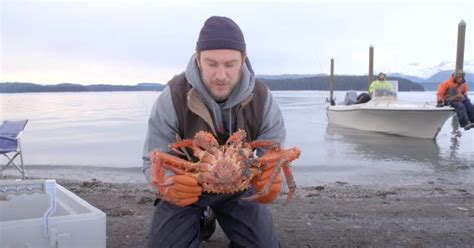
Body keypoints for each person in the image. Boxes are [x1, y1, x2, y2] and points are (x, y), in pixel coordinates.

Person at [142, 16, 285, 247]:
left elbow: (276, 154)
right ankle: (202, 218)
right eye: (212, 63)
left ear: (243, 60)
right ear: (198, 59)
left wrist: (273, 181)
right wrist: (168, 186)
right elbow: (152, 159)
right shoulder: (171, 97)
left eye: (230, 64)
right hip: (190, 186)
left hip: (241, 189)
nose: (221, 75)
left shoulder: (264, 99)